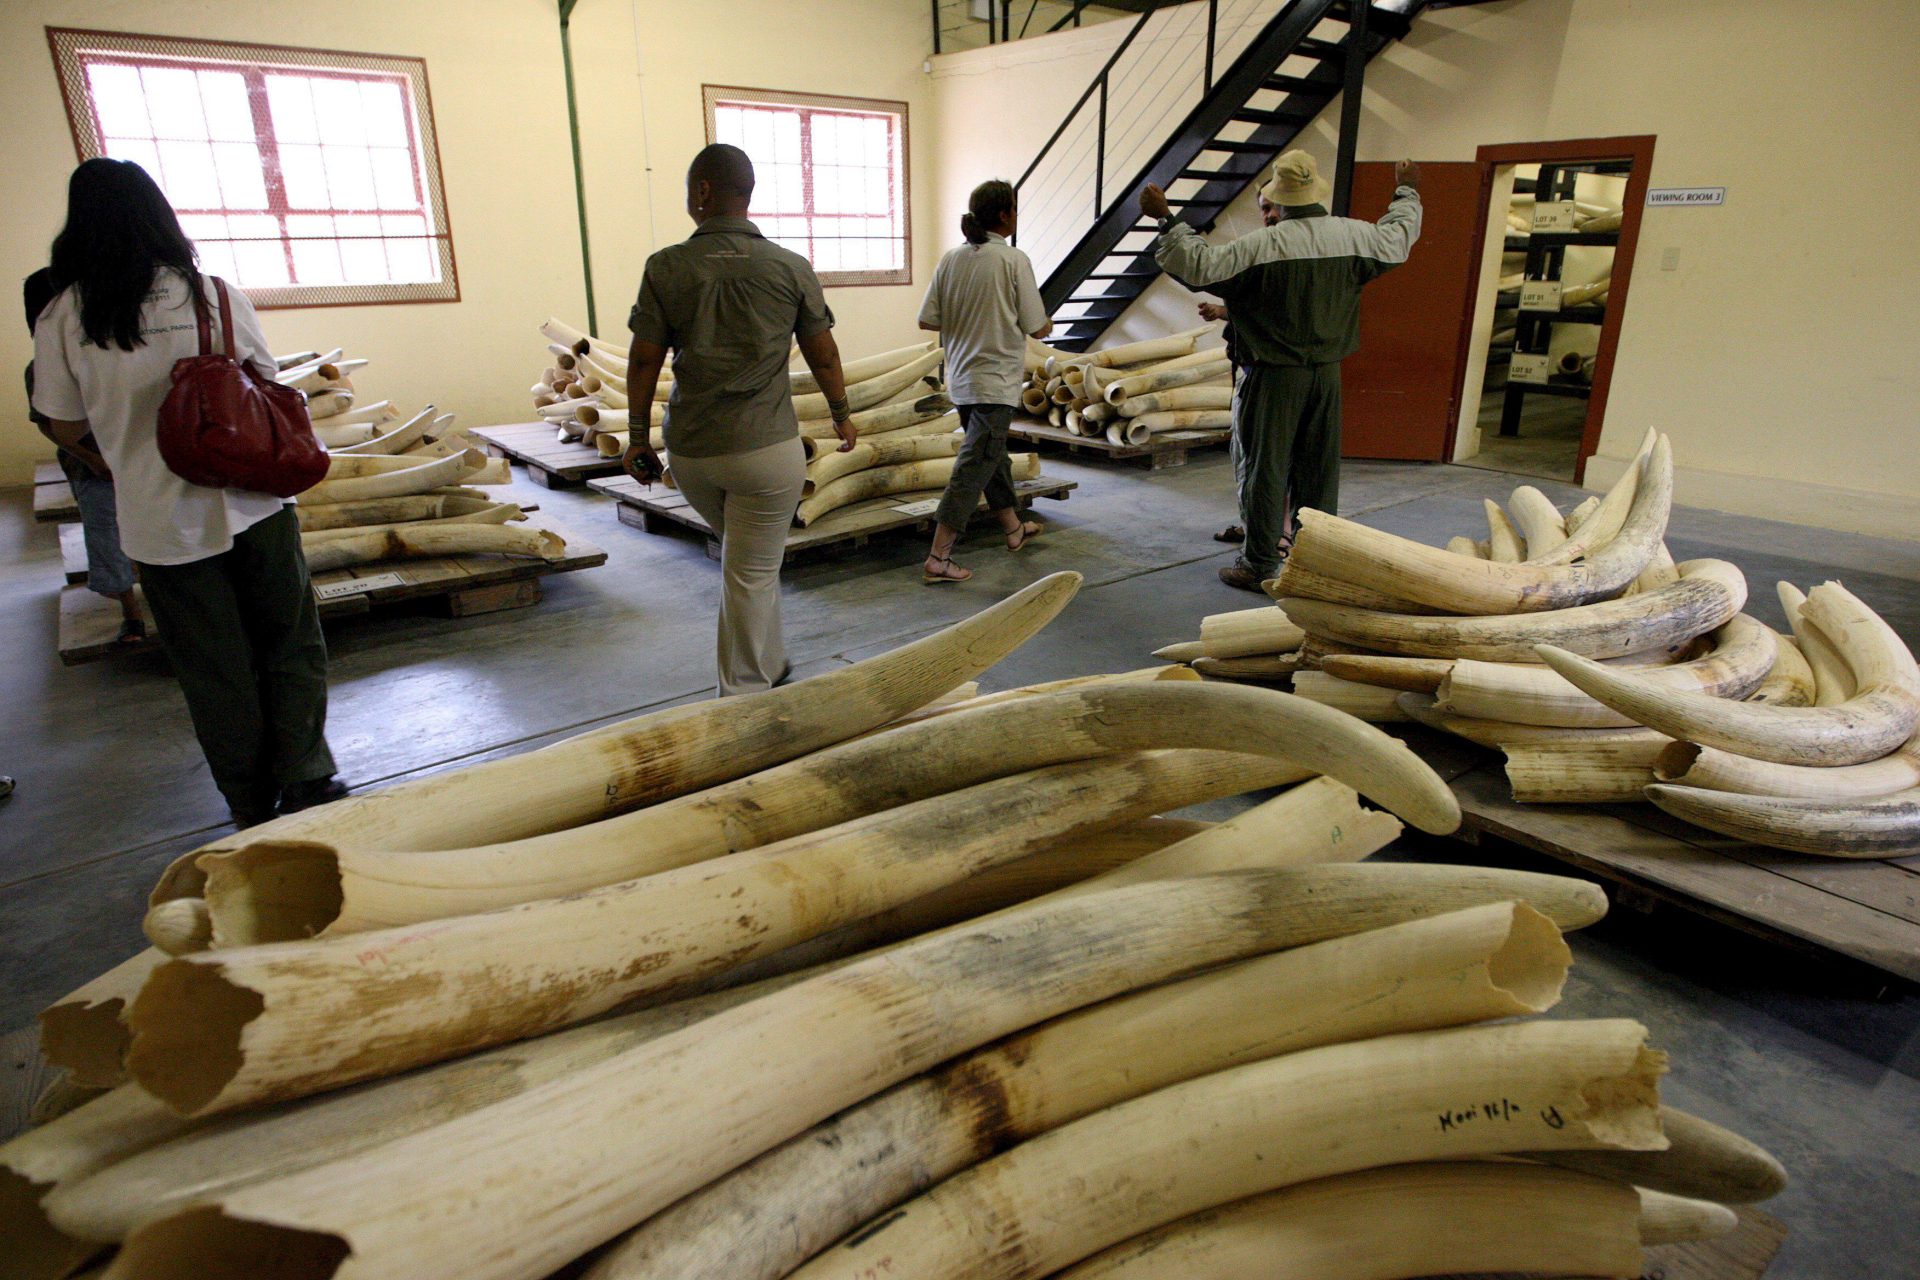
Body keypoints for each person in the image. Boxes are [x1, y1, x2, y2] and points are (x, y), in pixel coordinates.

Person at [30, 158, 346, 827]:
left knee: (212, 667)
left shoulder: (64, 316)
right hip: (253, 503)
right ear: (159, 217)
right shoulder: (212, 295)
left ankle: (250, 802)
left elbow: (61, 420)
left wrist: (117, 452)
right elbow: (266, 380)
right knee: (290, 641)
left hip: (158, 521)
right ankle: (308, 776)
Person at [620, 143, 856, 695]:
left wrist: (636, 439)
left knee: (749, 562)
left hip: (693, 453)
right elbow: (824, 354)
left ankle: (771, 663)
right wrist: (841, 415)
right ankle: (743, 700)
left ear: (703, 191)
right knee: (749, 570)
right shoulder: (791, 267)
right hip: (766, 453)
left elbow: (643, 359)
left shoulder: (666, 267)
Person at [1141, 150, 1422, 591]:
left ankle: (1259, 564)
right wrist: (1406, 189)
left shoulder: (1262, 246)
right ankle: (1317, 561)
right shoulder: (1355, 236)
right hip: (1326, 375)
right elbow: (1400, 234)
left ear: (1278, 199)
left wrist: (1165, 219)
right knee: (1319, 471)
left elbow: (1197, 264)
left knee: (1265, 468)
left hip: (1272, 376)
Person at [915, 179, 1053, 584]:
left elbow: (927, 320)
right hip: (995, 381)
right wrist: (1042, 323)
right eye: (1014, 209)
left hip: (961, 379)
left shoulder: (951, 259)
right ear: (1005, 215)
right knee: (974, 465)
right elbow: (1037, 326)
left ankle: (1013, 529)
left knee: (991, 457)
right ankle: (939, 556)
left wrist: (969, 314)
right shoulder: (1012, 260)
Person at [25, 268, 146, 647]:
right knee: (107, 538)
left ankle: (160, 598)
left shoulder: (105, 349)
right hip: (92, 469)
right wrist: (91, 458)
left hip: (131, 460)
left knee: (148, 532)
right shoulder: (41, 367)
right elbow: (48, 425)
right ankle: (132, 614)